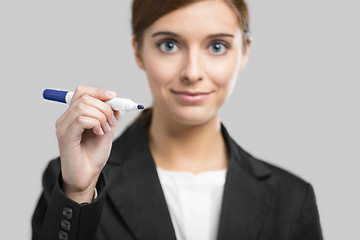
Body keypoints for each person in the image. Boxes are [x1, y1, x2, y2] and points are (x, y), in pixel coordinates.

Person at [32, 0, 323, 239]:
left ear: (245, 51)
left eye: (217, 46)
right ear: (138, 50)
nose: (192, 72)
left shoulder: (292, 198)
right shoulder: (71, 181)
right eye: (169, 45)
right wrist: (79, 193)